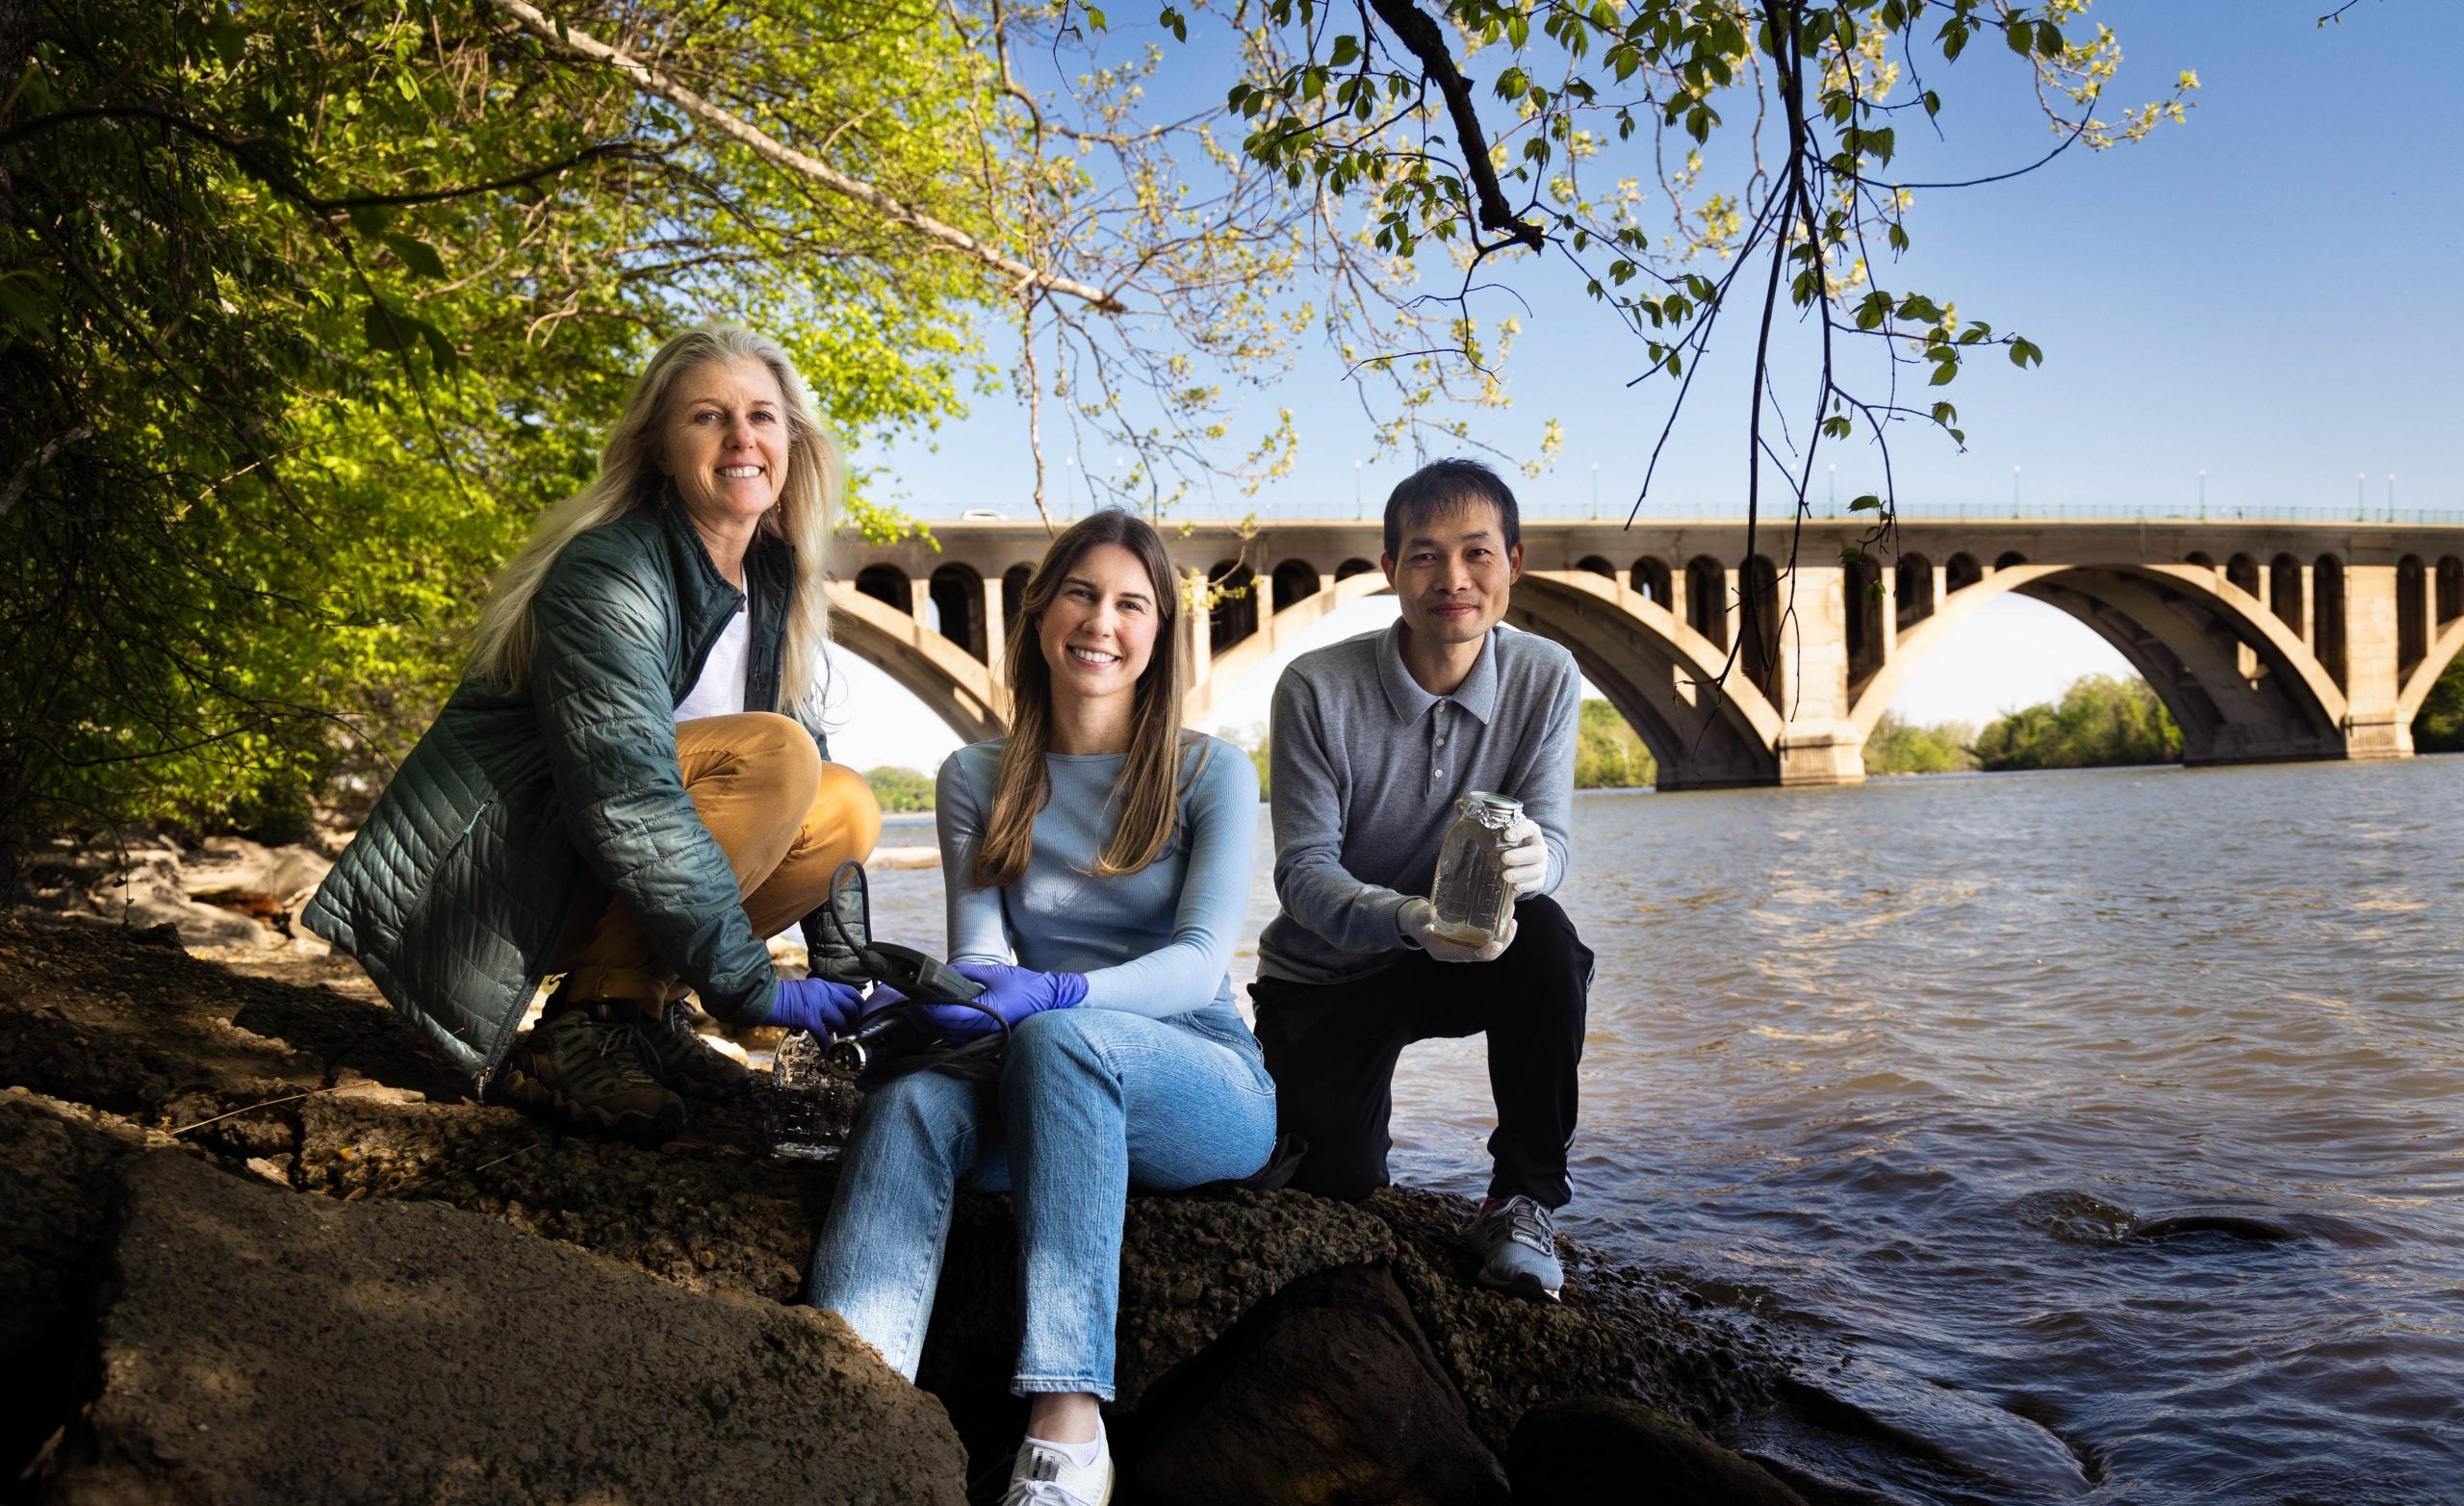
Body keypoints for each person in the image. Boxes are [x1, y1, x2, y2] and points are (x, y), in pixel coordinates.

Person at [304, 323, 885, 1138]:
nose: (741, 437)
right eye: (707, 417)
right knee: (776, 757)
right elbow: (629, 797)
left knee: (846, 801)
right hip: (500, 883)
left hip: (598, 874)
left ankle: (641, 1013)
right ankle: (587, 1022)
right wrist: (754, 990)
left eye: (761, 415)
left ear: (793, 440)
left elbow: (812, 795)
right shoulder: (614, 567)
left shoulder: (773, 584)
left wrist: (854, 983)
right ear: (659, 450)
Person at [806, 509, 1272, 1506]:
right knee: (913, 1102)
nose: (1102, 620)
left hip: (1200, 1076)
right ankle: (847, 1403)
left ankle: (1067, 1426)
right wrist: (934, 1003)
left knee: (1062, 1039)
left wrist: (1056, 992)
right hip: (1048, 1075)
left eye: (1131, 603)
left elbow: (1196, 965)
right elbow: (982, 953)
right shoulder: (976, 777)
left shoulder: (1210, 772)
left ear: (1158, 636)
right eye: (1081, 592)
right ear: (1039, 612)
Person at [1252, 457, 1592, 1301]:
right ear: (1389, 572)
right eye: (1425, 555)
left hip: (1467, 958)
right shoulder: (1315, 689)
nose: (1454, 579)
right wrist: (1409, 918)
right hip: (1328, 971)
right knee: (1333, 1181)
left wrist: (1535, 864)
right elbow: (1302, 874)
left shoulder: (1547, 675)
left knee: (1550, 945)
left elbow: (1553, 840)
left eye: (1478, 553)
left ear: (1514, 562)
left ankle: (1522, 1200)